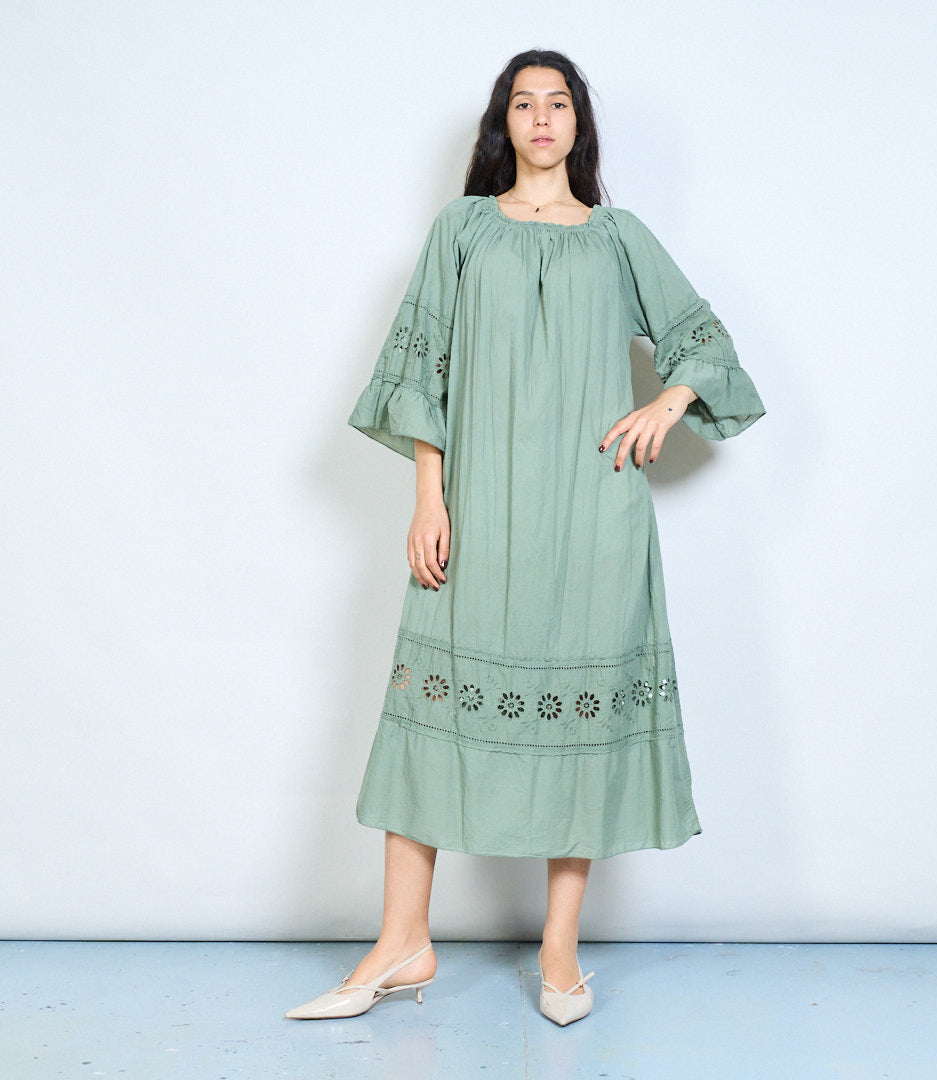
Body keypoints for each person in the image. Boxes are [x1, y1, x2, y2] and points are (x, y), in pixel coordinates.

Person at [286, 49, 765, 1027]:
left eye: (558, 104)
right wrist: (430, 498)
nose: (541, 118)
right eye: (523, 103)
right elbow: (423, 367)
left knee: (580, 734)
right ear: (502, 124)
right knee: (427, 724)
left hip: (594, 519)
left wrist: (667, 402)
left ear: (579, 125)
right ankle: (402, 941)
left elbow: (706, 343)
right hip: (479, 509)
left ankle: (559, 949)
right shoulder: (462, 229)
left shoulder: (619, 237)